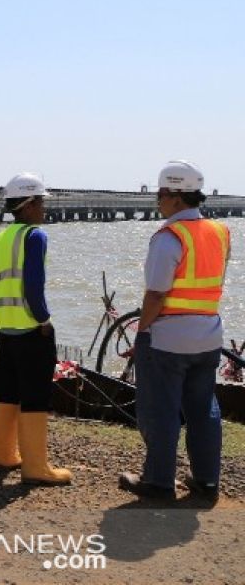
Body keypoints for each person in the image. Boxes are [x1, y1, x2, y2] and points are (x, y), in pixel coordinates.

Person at [119, 161, 228, 502]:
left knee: (161, 410)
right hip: (208, 335)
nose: (158, 201)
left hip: (168, 340)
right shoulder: (220, 234)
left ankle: (158, 482)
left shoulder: (169, 238)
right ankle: (207, 480)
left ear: (177, 197)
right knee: (203, 409)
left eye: (161, 194)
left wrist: (142, 332)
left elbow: (155, 294)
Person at [0, 173, 70, 485]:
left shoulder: (0, 238)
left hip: (5, 328)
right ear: (30, 204)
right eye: (42, 202)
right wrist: (44, 320)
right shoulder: (35, 237)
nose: (44, 209)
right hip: (31, 330)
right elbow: (34, 287)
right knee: (35, 395)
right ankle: (35, 467)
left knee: (8, 392)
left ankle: (5, 454)